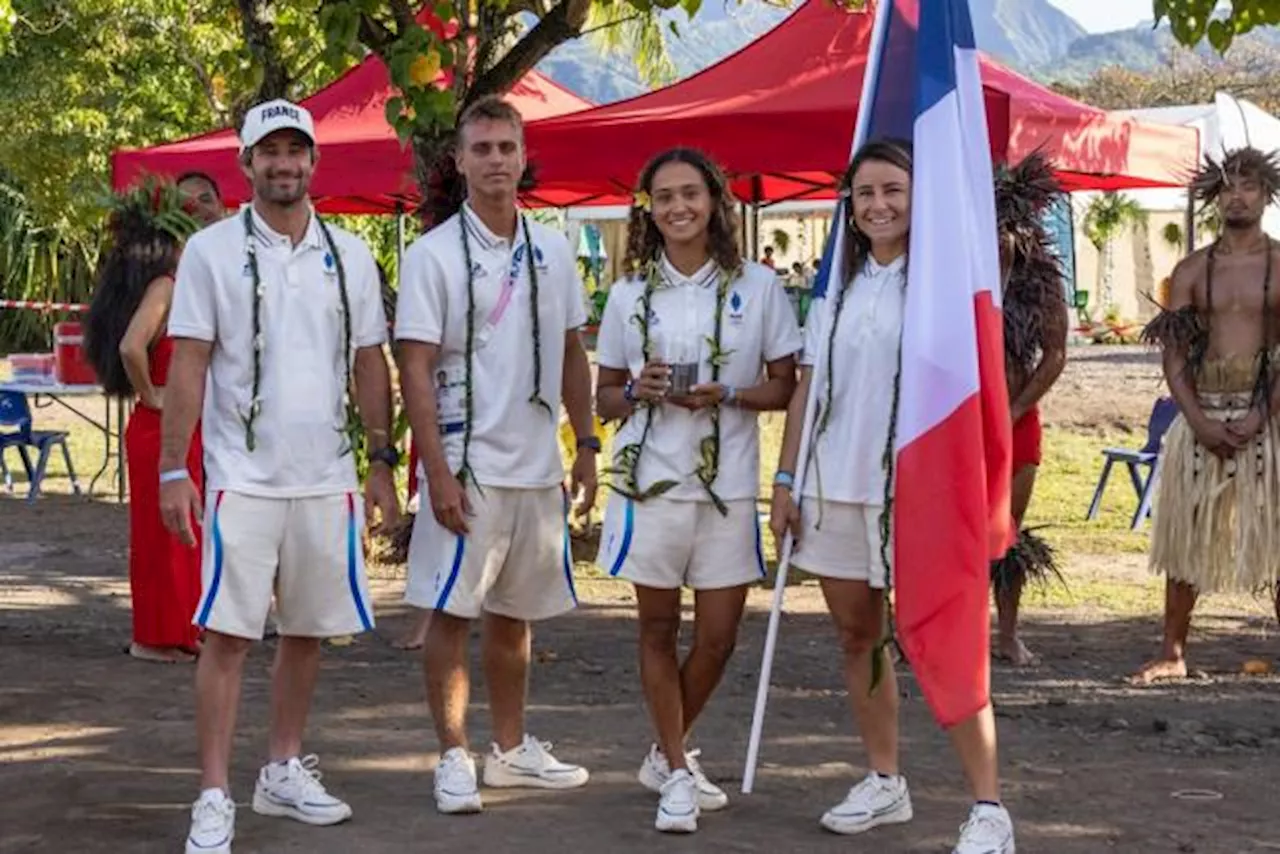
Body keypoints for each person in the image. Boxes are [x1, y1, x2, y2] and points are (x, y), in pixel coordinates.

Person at [159, 98, 400, 854]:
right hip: (241, 476)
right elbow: (190, 359)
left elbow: (369, 361)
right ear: (246, 163)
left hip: (326, 476)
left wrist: (383, 463)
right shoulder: (210, 250)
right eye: (270, 152)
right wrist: (175, 465)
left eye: (297, 151)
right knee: (228, 637)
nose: (284, 164)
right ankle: (213, 794)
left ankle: (283, 768)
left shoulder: (351, 254)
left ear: (314, 162)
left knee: (306, 631)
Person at [769, 140, 1015, 854]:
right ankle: (884, 780)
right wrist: (785, 482)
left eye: (893, 191)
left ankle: (988, 806)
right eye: (865, 193)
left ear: (918, 198)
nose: (878, 205)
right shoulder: (834, 290)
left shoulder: (942, 288)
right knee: (859, 637)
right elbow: (807, 390)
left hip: (918, 494)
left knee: (944, 639)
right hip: (833, 487)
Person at [395, 95, 597, 815]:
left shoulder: (553, 248)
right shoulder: (432, 254)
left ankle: (509, 752)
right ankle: (453, 756)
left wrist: (589, 444)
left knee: (516, 616)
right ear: (459, 160)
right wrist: (436, 470)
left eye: (506, 147)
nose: (495, 161)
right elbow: (413, 366)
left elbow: (573, 349)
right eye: (480, 148)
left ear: (523, 154)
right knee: (451, 612)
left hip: (538, 467)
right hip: (468, 466)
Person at [594, 148, 800, 833]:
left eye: (691, 194)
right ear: (648, 209)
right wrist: (635, 388)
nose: (678, 207)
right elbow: (603, 398)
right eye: (664, 197)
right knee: (657, 629)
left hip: (727, 488)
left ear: (715, 201)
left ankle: (664, 750)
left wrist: (731, 394)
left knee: (718, 638)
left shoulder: (759, 285)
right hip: (648, 486)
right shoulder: (628, 293)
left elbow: (785, 385)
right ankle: (678, 771)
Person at [1135, 146, 1280, 684]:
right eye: (1228, 187)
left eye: (1248, 186)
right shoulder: (1193, 269)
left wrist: (1262, 414)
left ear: (1267, 195)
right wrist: (1196, 420)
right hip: (1203, 413)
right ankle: (1173, 652)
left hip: (1267, 414)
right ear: (1215, 198)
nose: (1238, 196)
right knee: (1185, 536)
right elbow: (1173, 355)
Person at [84, 179, 203, 664]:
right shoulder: (166, 286)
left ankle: (177, 628)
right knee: (163, 538)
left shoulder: (167, 285)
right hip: (161, 429)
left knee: (179, 534)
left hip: (174, 427)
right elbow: (132, 345)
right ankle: (154, 636)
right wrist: (150, 393)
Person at [989, 153, 1069, 666]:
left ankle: (1008, 633)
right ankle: (930, 630)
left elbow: (1056, 354)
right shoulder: (949, 273)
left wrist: (1015, 407)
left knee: (1008, 529)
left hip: (1017, 419)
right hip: (956, 419)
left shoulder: (1040, 281)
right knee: (945, 527)